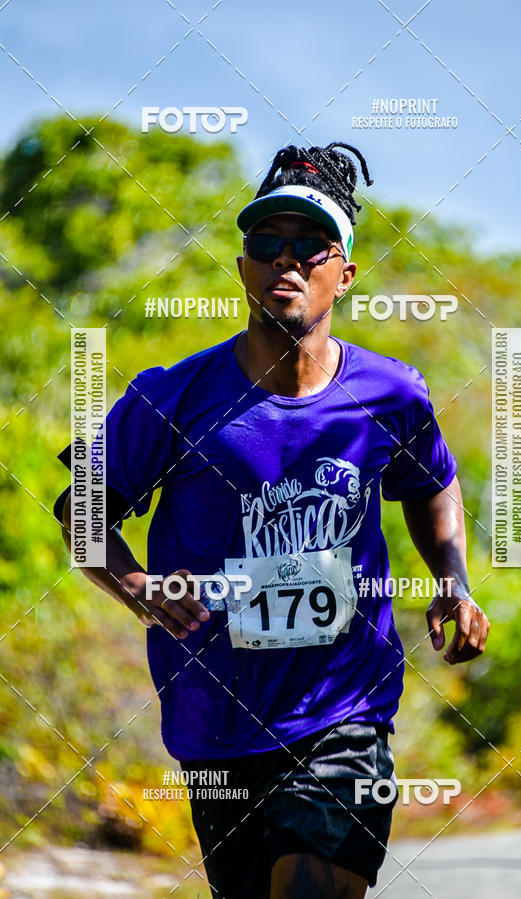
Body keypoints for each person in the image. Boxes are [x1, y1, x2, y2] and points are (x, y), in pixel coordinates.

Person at [55, 141, 489, 899]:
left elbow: (433, 483)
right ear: (243, 264)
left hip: (344, 712)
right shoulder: (174, 398)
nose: (285, 260)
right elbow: (80, 509)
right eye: (266, 242)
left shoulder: (392, 395)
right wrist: (137, 586)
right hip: (213, 721)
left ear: (343, 274)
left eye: (310, 246)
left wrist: (451, 577)